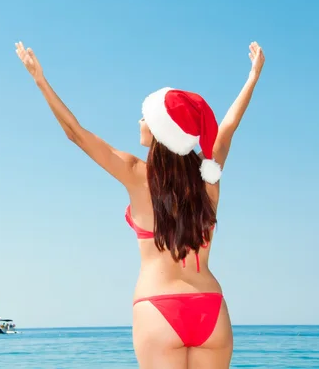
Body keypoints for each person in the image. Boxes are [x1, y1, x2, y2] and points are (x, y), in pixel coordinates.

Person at [15, 40, 265, 368]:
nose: (139, 122)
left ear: (163, 131)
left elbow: (76, 134)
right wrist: (253, 77)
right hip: (210, 308)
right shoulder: (209, 176)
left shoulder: (136, 174)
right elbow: (228, 127)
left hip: (158, 309)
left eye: (145, 117)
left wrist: (40, 81)